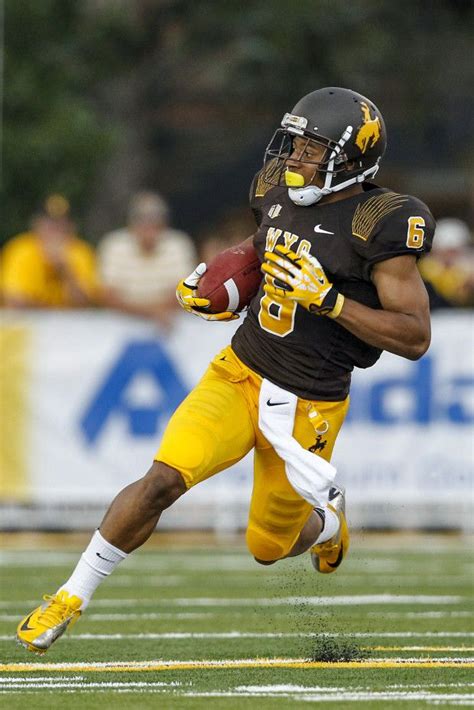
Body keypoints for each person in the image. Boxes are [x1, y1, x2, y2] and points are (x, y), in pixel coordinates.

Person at [17, 87, 435, 654]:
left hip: (308, 402)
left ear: (350, 157)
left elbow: (414, 336)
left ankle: (329, 523)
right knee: (162, 480)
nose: (294, 157)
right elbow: (263, 246)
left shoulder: (379, 221)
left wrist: (331, 301)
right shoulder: (275, 189)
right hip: (239, 372)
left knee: (268, 545)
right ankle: (71, 594)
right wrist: (223, 286)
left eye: (311, 148)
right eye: (294, 143)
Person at [97, 192, 197, 328]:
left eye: (154, 221)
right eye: (142, 220)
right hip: (124, 325)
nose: (148, 228)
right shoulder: (114, 245)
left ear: (164, 224)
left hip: (166, 322)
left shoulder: (178, 244)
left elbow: (184, 293)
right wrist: (154, 313)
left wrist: (148, 311)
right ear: (132, 223)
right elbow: (107, 295)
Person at [2, 195, 97, 309]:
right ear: (36, 224)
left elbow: (86, 304)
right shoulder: (21, 249)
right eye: (49, 224)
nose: (55, 230)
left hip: (70, 325)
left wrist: (65, 270)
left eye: (61, 224)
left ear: (72, 227)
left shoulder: (81, 252)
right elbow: (15, 301)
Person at [418, 217, 474, 308]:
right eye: (448, 251)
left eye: (454, 252)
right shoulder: (426, 268)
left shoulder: (466, 268)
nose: (450, 256)